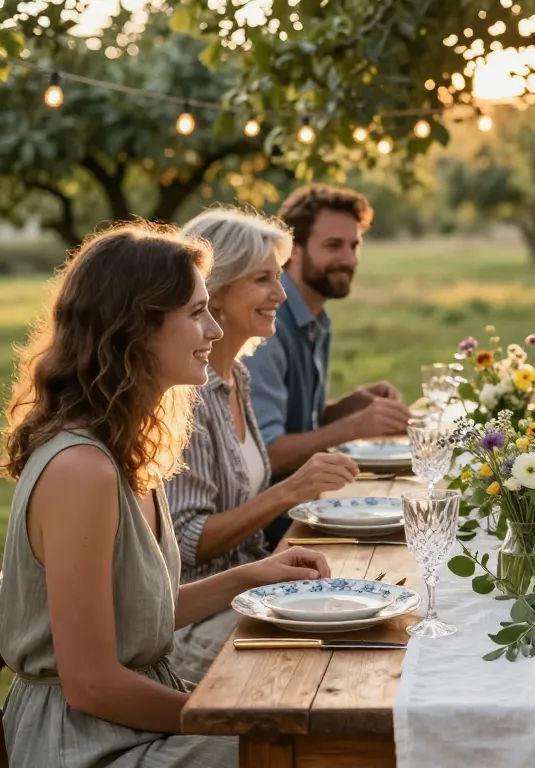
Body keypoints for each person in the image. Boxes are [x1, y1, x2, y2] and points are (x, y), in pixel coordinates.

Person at [0, 223, 331, 767]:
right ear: (137, 328)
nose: (213, 329)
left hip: (123, 723)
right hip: (85, 743)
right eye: (196, 312)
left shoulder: (121, 450)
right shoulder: (82, 469)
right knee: (301, 745)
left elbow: (134, 613)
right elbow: (91, 685)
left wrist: (253, 576)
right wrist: (221, 716)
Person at [167, 209, 360, 683]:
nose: (280, 294)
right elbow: (189, 542)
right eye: (263, 280)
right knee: (333, 663)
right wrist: (288, 491)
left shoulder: (238, 377)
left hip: (251, 592)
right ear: (217, 289)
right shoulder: (187, 395)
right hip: (193, 622)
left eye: (278, 278)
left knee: (363, 620)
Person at [245, 184, 411, 549]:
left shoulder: (317, 319)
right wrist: (354, 426)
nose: (349, 259)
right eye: (333, 246)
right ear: (294, 251)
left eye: (354, 246)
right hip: (273, 530)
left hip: (308, 510)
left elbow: (300, 424)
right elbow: (268, 452)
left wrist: (351, 405)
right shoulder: (266, 328)